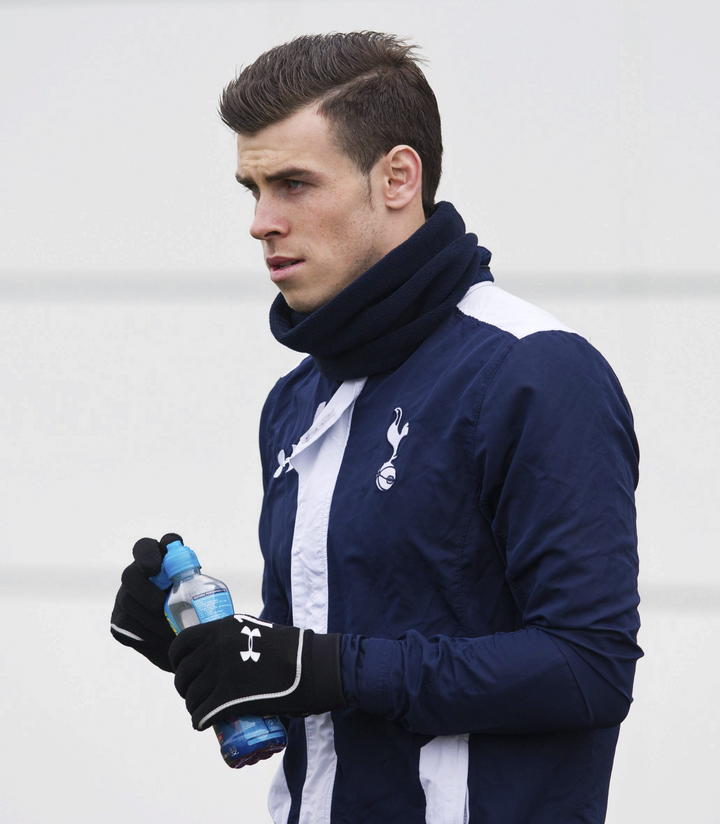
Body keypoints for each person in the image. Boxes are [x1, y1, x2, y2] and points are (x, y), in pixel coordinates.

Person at [111, 31, 643, 824]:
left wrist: (332, 669)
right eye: (252, 189)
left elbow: (587, 669)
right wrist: (209, 648)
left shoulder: (535, 370)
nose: (261, 222)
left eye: (294, 184)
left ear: (398, 177)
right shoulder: (295, 400)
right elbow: (320, 667)